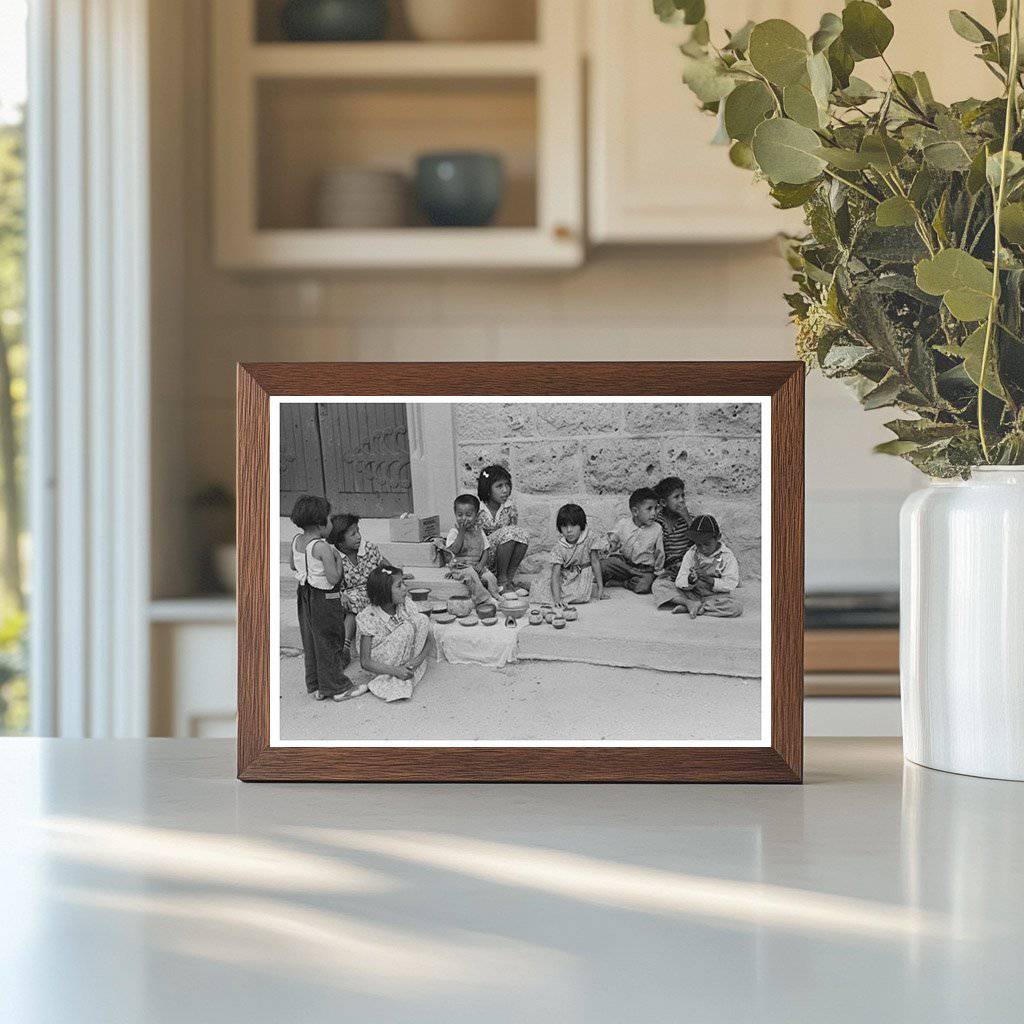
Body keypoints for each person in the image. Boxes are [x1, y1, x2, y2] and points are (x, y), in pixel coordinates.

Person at [288, 495, 366, 702]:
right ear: (320, 523)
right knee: (330, 640)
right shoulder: (323, 547)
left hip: (304, 594)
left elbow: (293, 566)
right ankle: (338, 688)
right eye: (330, 519)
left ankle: (317, 686)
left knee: (311, 639)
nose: (331, 523)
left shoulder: (297, 541)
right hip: (325, 597)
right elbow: (333, 579)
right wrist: (337, 560)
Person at [355, 565, 433, 701]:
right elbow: (365, 662)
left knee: (422, 620)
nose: (405, 588)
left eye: (404, 583)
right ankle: (394, 673)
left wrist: (417, 661)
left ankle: (407, 667)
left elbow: (429, 636)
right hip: (382, 662)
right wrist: (396, 671)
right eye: (399, 585)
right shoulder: (369, 616)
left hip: (407, 658)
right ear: (384, 591)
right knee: (407, 628)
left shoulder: (405, 605)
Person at [326, 512, 388, 663]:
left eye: (358, 531)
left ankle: (345, 647)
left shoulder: (369, 549)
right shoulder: (333, 556)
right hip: (348, 596)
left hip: (371, 590)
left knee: (355, 603)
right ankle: (343, 648)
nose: (359, 536)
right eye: (353, 534)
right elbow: (330, 583)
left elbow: (385, 565)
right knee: (349, 601)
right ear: (340, 542)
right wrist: (341, 594)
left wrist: (396, 573)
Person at [530, 503, 608, 606]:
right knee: (540, 588)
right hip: (564, 576)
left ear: (581, 525)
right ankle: (528, 586)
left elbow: (595, 562)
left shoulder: (590, 538)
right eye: (564, 526)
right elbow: (556, 574)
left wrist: (600, 588)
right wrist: (557, 600)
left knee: (580, 596)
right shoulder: (559, 547)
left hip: (581, 575)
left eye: (573, 525)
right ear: (560, 528)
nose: (569, 530)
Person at [432, 494, 502, 606]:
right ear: (455, 514)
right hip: (460, 567)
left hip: (476, 565)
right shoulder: (454, 532)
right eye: (460, 515)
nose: (464, 518)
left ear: (477, 515)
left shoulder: (479, 531)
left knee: (489, 576)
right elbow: (454, 550)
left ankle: (495, 594)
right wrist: (461, 532)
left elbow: (486, 550)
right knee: (472, 576)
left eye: (468, 515)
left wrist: (481, 564)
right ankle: (484, 599)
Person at [671, 514, 743, 618]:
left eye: (707, 544)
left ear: (718, 537)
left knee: (736, 608)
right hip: (692, 594)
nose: (703, 548)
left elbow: (731, 583)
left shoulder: (727, 556)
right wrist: (691, 580)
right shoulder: (691, 553)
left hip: (715, 597)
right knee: (660, 585)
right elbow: (680, 580)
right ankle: (690, 603)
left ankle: (697, 607)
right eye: (698, 544)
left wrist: (710, 580)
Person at [600, 487, 665, 595]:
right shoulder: (623, 524)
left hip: (643, 570)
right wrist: (610, 545)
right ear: (635, 511)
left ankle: (622, 583)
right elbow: (613, 539)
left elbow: (659, 553)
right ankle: (624, 578)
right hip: (624, 565)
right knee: (603, 565)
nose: (654, 513)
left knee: (643, 587)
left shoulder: (657, 529)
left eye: (656, 508)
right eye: (649, 509)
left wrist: (658, 573)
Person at [477, 465, 530, 593]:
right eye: (499, 486)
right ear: (488, 489)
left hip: (501, 559)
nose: (505, 490)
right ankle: (501, 582)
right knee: (509, 532)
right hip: (481, 559)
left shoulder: (510, 508)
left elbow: (514, 539)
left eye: (507, 485)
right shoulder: (478, 509)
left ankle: (508, 581)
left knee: (523, 535)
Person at [650, 476, 695, 610]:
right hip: (669, 570)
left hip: (687, 567)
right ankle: (687, 603)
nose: (681, 500)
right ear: (663, 502)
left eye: (683, 496)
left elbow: (698, 542)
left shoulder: (689, 520)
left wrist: (687, 518)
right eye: (676, 497)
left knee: (698, 582)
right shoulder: (656, 521)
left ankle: (688, 601)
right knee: (658, 586)